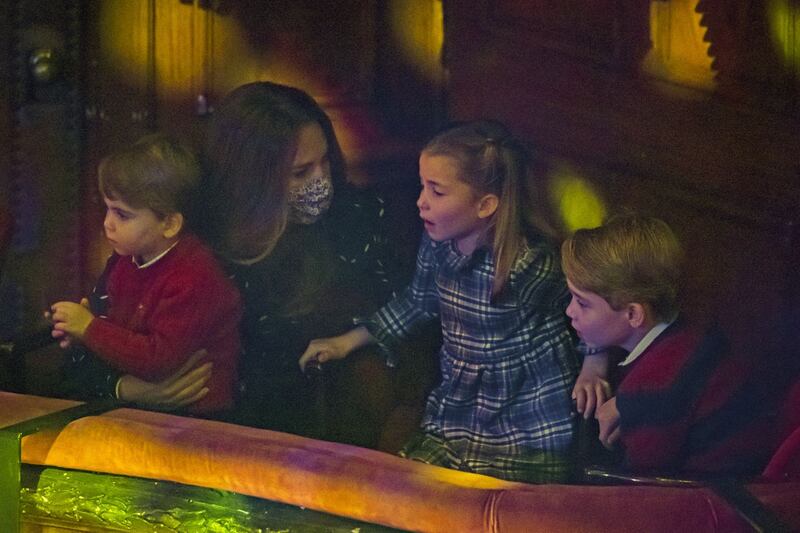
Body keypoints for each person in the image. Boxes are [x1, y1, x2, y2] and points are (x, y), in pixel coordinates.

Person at [300, 120, 603, 484]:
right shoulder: (437, 244)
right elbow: (418, 301)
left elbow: (584, 312)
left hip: (526, 416)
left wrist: (595, 364)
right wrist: (345, 341)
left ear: (485, 204)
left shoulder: (529, 266)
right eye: (422, 186)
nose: (420, 202)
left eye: (437, 192)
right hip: (460, 408)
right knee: (409, 488)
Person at [199, 81, 420, 443]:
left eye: (325, 162)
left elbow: (408, 319)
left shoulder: (360, 218)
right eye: (301, 173)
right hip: (242, 442)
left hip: (346, 440)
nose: (321, 183)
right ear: (252, 179)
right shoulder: (205, 244)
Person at [561, 214, 772, 476]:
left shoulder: (651, 391)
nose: (570, 311)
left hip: (716, 498)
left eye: (582, 303)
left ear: (633, 314)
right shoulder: (688, 330)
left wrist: (633, 406)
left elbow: (642, 485)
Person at [49, 133, 242, 417]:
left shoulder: (194, 276)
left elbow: (158, 360)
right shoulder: (127, 259)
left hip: (199, 416)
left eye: (122, 215)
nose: (107, 224)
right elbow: (123, 329)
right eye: (107, 208)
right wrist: (83, 332)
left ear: (169, 223)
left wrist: (91, 328)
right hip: (145, 407)